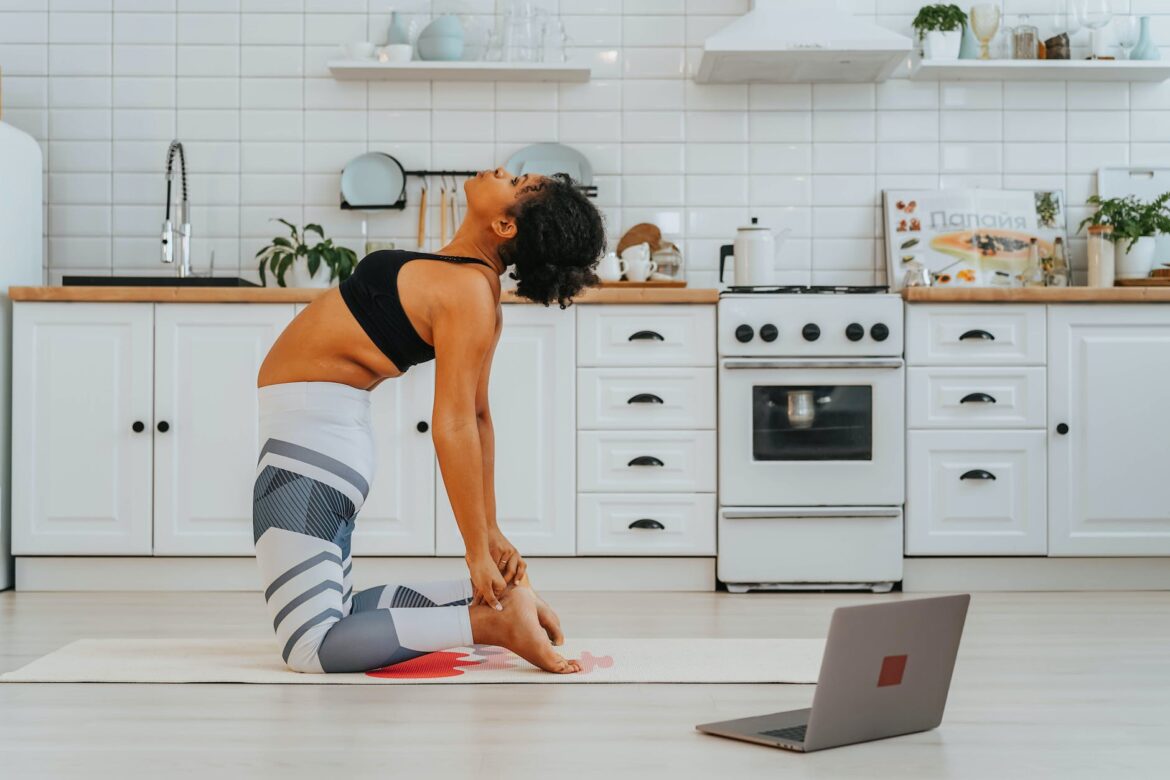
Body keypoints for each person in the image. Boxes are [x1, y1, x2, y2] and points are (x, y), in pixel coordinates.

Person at [253, 169, 606, 674]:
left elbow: (460, 422)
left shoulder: (470, 291)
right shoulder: (466, 277)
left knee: (313, 647)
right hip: (319, 438)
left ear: (506, 226)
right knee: (342, 611)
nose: (502, 171)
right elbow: (480, 417)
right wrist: (490, 534)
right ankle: (497, 603)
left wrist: (475, 547)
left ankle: (490, 624)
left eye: (517, 183)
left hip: (311, 448)